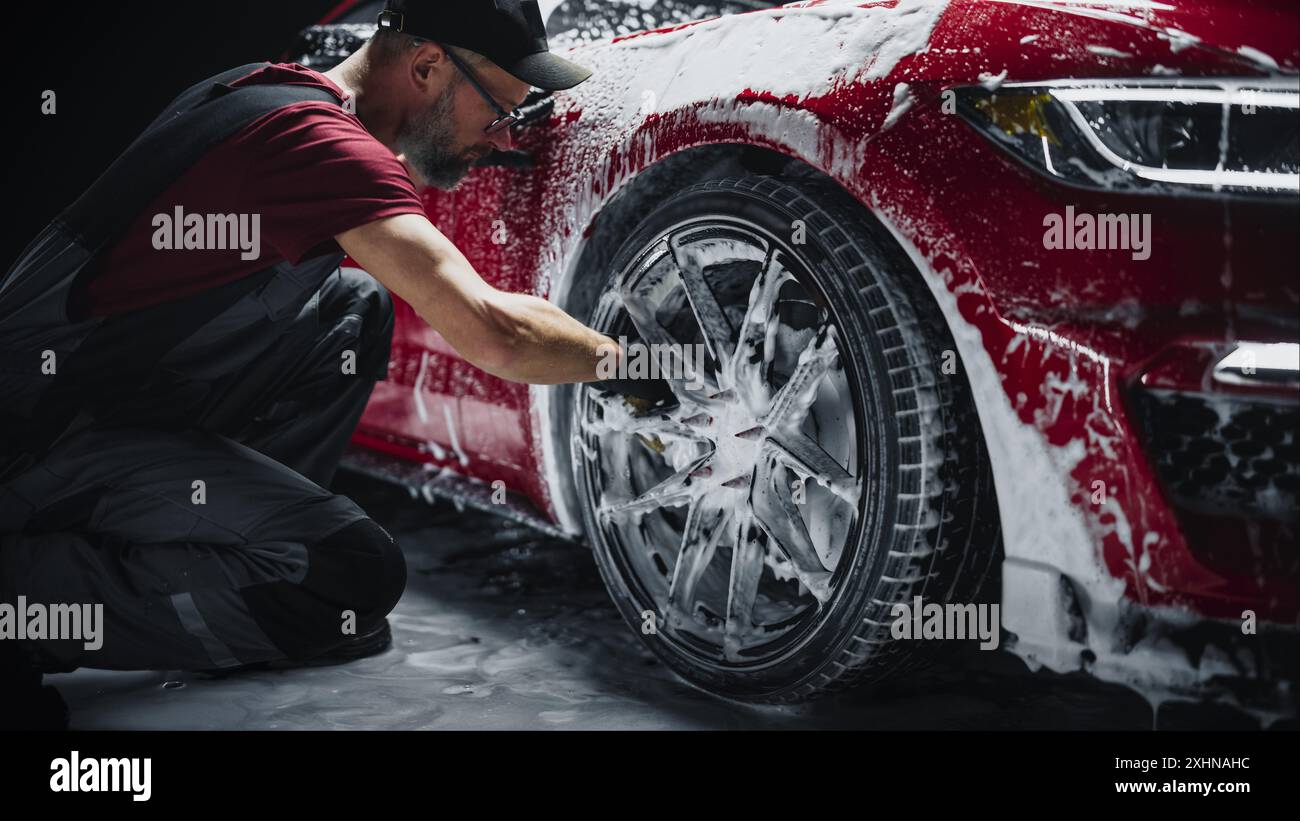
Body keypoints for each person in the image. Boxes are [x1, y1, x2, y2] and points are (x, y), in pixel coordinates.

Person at [0, 0, 618, 730]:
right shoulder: (321, 147)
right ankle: (26, 611)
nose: (500, 137)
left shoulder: (269, 91)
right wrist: (626, 361)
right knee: (346, 580)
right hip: (35, 440)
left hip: (92, 412)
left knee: (349, 307)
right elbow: (493, 332)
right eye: (497, 112)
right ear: (426, 65)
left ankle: (215, 559)